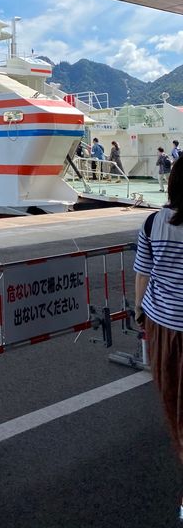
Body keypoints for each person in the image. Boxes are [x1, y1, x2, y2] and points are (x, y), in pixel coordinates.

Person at [134, 159, 183, 520]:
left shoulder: (153, 223)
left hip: (164, 328)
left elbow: (142, 275)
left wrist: (139, 314)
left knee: (174, 404)